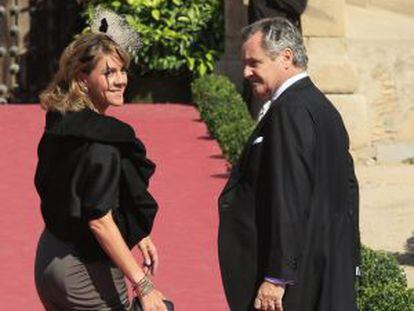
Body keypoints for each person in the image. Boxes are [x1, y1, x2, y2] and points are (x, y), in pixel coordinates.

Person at [218, 17, 360, 311]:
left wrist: (277, 276)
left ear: (285, 57)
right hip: (323, 272)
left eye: (254, 63)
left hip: (295, 285)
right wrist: (351, 264)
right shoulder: (322, 106)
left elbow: (290, 195)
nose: (246, 72)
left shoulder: (290, 110)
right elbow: (349, 190)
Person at [34, 32, 168, 310]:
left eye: (122, 71)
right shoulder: (103, 143)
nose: (121, 80)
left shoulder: (61, 122)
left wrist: (137, 232)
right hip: (84, 270)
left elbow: (76, 191)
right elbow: (99, 220)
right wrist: (143, 284)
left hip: (49, 258)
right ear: (83, 79)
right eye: (109, 72)